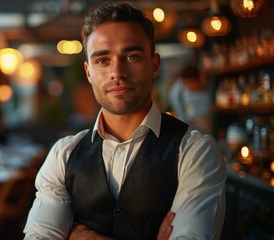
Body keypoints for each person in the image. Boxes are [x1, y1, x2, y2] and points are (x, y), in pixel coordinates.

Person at [24, 2, 226, 239]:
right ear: (89, 72)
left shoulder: (195, 151)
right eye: (102, 60)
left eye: (131, 56)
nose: (117, 72)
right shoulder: (63, 155)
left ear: (154, 65)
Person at [169, 65, 212, 133]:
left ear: (199, 79)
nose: (189, 86)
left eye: (191, 82)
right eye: (186, 83)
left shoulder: (206, 96)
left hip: (201, 133)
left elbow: (207, 119)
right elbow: (173, 96)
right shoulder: (183, 93)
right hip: (185, 131)